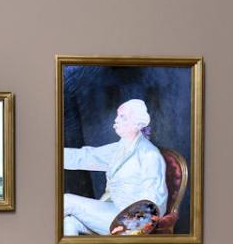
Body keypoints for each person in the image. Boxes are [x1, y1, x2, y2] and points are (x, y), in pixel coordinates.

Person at [62, 98, 168, 236]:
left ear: (137, 124)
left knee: (66, 200)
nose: (116, 120)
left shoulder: (149, 155)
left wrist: (131, 230)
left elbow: (156, 200)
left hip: (131, 222)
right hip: (111, 211)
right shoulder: (119, 148)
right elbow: (86, 156)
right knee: (69, 222)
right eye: (117, 116)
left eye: (122, 117)